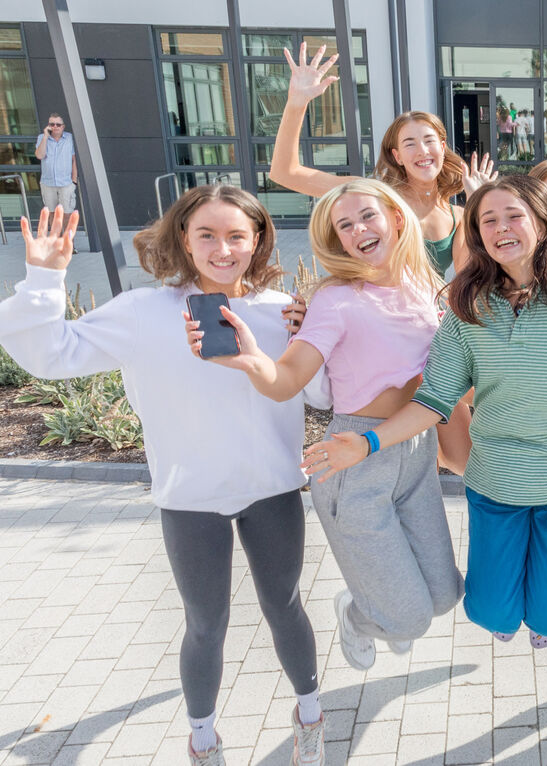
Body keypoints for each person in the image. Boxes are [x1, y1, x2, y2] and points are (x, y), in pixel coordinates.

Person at [0, 191, 325, 765]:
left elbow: (320, 394)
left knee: (285, 606)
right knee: (206, 624)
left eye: (236, 235)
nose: (222, 249)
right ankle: (204, 741)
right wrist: (44, 279)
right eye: (207, 235)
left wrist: (310, 337)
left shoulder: (282, 311)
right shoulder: (143, 312)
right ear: (183, 239)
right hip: (190, 497)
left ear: (257, 240)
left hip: (272, 490)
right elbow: (52, 354)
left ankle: (311, 717)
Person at [303, 174, 547, 654]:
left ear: (541, 223)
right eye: (488, 220)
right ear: (477, 234)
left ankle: (546, 613)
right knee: (490, 612)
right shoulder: (468, 308)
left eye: (514, 216)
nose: (502, 228)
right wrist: (367, 442)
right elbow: (433, 400)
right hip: (496, 483)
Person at [189, 178, 464, 673]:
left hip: (414, 451)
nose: (358, 230)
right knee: (410, 619)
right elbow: (287, 380)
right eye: (345, 225)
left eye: (367, 216)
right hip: (354, 464)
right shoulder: (336, 299)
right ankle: (357, 615)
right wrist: (253, 359)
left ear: (395, 218)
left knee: (446, 595)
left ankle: (378, 605)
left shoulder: (421, 283)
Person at [268, 41, 478, 472]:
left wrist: (479, 205)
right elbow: (285, 172)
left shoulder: (456, 214)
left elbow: (466, 284)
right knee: (401, 448)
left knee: (466, 460)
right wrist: (297, 102)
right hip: (380, 345)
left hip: (426, 339)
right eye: (409, 143)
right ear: (396, 155)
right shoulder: (373, 198)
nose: (422, 150)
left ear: (443, 147)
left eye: (430, 140)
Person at [34, 113, 77, 215]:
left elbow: (73, 160)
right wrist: (45, 136)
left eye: (58, 124)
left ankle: (66, 228)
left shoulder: (69, 138)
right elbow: (39, 156)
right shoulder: (42, 138)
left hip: (66, 183)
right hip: (47, 183)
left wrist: (74, 181)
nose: (55, 127)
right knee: (51, 214)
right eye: (52, 124)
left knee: (67, 213)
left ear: (63, 126)